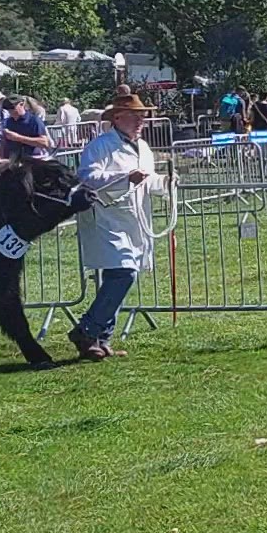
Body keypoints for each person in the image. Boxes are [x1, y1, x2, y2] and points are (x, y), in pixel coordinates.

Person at [72, 89, 167, 359]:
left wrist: (165, 184)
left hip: (133, 220)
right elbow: (88, 178)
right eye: (135, 116)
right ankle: (87, 330)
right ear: (116, 118)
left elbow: (148, 180)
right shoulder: (100, 146)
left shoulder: (144, 148)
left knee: (121, 275)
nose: (141, 121)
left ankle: (100, 339)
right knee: (123, 273)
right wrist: (126, 177)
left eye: (143, 117)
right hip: (106, 219)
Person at [0, 95, 53, 161]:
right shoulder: (8, 122)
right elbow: (4, 143)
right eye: (7, 108)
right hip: (14, 161)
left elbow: (44, 142)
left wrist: (18, 138)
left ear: (22, 104)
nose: (10, 111)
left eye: (12, 107)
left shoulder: (34, 121)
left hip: (34, 161)